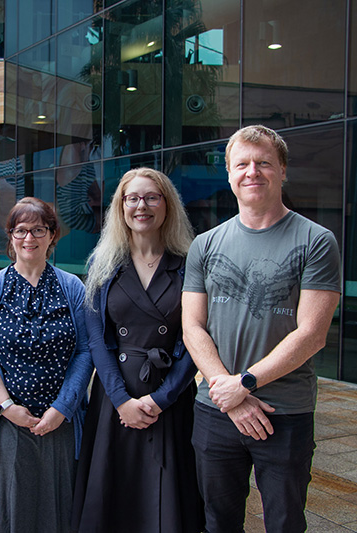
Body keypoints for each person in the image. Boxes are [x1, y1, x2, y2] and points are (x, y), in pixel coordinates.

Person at [182, 125, 342, 532]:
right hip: (216, 410)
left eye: (264, 163)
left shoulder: (316, 241)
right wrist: (229, 392)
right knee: (217, 522)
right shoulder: (205, 244)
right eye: (242, 165)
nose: (252, 172)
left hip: (283, 412)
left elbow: (312, 334)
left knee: (285, 522)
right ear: (229, 174)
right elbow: (192, 327)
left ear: (282, 171)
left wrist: (245, 383)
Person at [72, 168, 204, 533]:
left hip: (170, 397)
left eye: (151, 197)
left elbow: (195, 338)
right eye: (132, 198)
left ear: (167, 205)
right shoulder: (103, 265)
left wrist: (162, 398)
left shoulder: (188, 263)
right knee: (115, 497)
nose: (141, 206)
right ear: (121, 207)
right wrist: (120, 400)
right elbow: (97, 339)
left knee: (168, 499)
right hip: (116, 399)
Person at [0, 197, 92, 533]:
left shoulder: (73, 288)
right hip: (5, 420)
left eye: (38, 230)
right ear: (10, 236)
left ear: (52, 235)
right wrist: (6, 407)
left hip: (60, 419)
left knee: (58, 511)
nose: (29, 238)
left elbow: (85, 350)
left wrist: (62, 408)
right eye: (21, 230)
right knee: (9, 512)